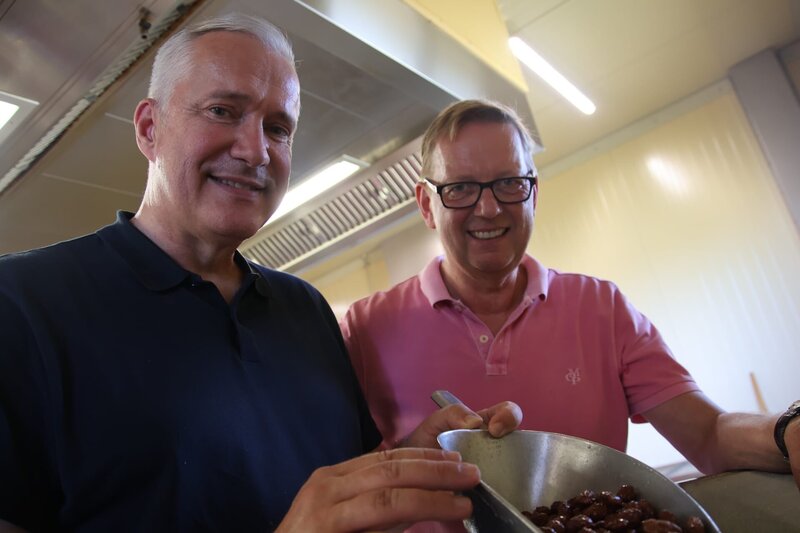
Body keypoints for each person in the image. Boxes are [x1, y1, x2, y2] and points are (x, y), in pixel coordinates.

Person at [0, 17, 522, 533]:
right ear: (149, 128)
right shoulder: (22, 305)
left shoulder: (305, 310)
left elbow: (333, 495)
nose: (255, 151)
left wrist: (409, 463)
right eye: (222, 111)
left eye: (278, 128)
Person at [341, 99, 800, 530]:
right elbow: (342, 482)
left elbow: (709, 433)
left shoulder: (602, 308)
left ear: (533, 194)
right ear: (426, 204)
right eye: (460, 188)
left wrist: (787, 431)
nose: (488, 207)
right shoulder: (363, 331)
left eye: (509, 183)